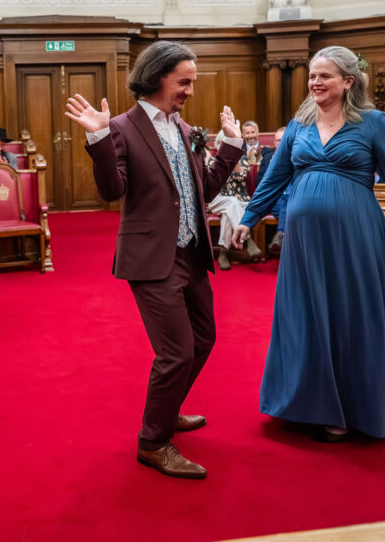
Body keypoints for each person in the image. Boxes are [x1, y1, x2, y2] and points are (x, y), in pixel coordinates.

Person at [235, 46, 385, 442]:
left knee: (349, 315)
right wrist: (248, 218)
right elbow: (274, 179)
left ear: (348, 81)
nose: (315, 82)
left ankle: (347, 408)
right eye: (312, 75)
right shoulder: (298, 125)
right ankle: (303, 403)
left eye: (324, 76)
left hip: (356, 236)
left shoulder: (374, 123)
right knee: (304, 315)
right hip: (303, 242)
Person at [65, 40, 242, 479]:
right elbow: (112, 190)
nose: (190, 91)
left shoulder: (183, 128)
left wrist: (231, 147)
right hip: (151, 257)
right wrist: (99, 137)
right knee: (176, 353)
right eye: (184, 82)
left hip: (191, 251)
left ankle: (168, 409)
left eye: (192, 82)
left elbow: (204, 190)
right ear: (158, 77)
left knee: (204, 339)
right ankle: (153, 442)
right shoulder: (123, 127)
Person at [207, 131, 259, 269]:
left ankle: (223, 252)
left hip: (237, 201)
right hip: (217, 200)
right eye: (224, 144)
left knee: (229, 210)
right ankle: (246, 239)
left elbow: (240, 177)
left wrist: (233, 155)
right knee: (231, 203)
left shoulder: (243, 160)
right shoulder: (213, 161)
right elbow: (209, 183)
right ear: (219, 145)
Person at [264, 126, 289, 255]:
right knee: (289, 207)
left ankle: (280, 236)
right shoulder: (267, 158)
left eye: (284, 139)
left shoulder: (296, 157)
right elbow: (259, 181)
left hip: (290, 196)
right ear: (274, 142)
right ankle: (287, 244)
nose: (281, 142)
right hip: (274, 198)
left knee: (289, 204)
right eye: (278, 140)